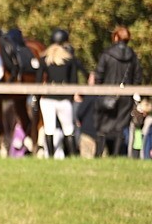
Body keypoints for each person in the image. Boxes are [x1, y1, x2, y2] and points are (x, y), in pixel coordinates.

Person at [91, 26, 143, 157]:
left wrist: (99, 92)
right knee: (120, 127)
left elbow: (99, 75)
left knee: (103, 127)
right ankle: (116, 155)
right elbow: (137, 78)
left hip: (107, 95)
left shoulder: (107, 54)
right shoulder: (133, 56)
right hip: (125, 97)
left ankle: (99, 154)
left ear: (115, 37)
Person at [36, 28, 84, 158]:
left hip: (47, 98)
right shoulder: (69, 59)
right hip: (64, 98)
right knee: (68, 129)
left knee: (49, 128)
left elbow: (38, 80)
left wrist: (37, 97)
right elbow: (74, 81)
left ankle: (50, 155)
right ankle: (73, 155)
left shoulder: (45, 58)